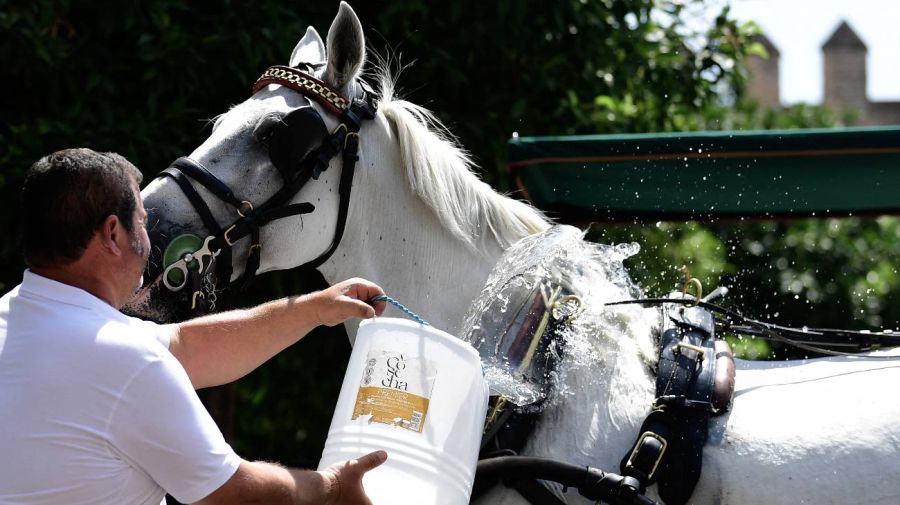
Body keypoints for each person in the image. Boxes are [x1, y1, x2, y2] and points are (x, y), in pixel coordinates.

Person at [0, 148, 388, 505]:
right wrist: (334, 488)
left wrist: (314, 309)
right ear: (113, 234)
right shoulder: (127, 362)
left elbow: (185, 347)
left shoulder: (17, 319)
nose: (149, 238)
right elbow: (233, 493)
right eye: (142, 221)